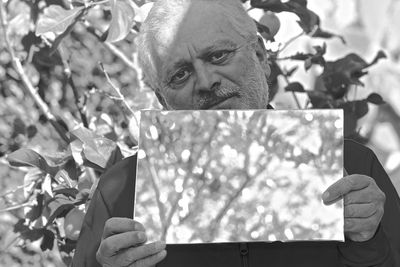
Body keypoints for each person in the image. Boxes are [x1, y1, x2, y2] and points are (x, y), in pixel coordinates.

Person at [72, 0, 400, 266]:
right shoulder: (120, 192)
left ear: (260, 56)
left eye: (218, 55)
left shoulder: (353, 167)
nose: (205, 81)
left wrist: (368, 242)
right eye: (180, 74)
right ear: (162, 100)